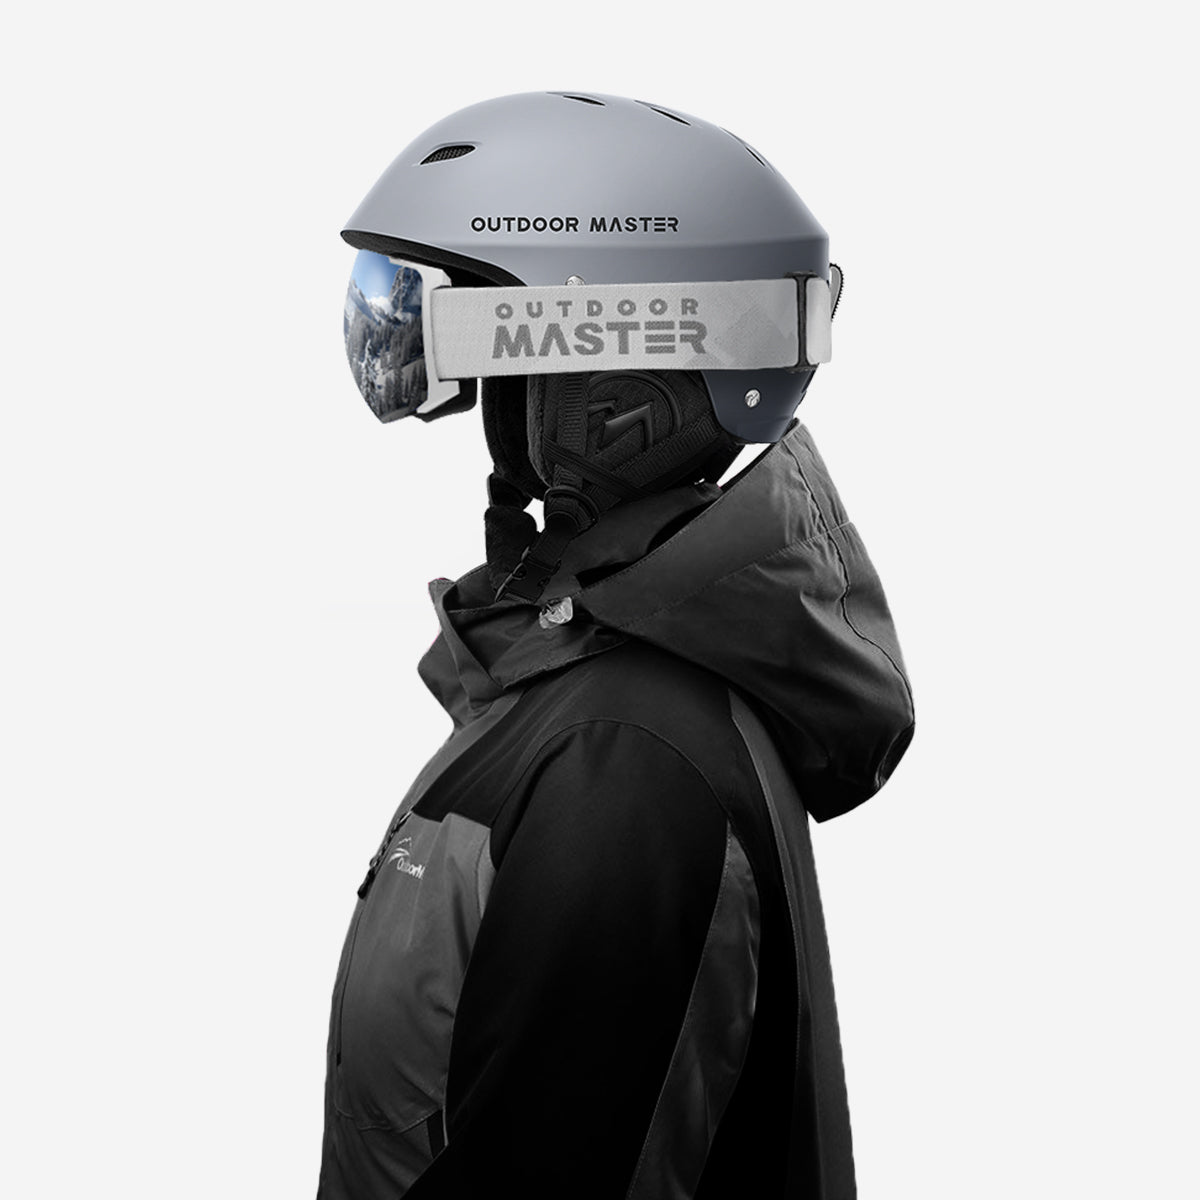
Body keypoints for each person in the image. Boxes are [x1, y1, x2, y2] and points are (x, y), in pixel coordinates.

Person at [317, 91, 914, 1200]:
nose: (483, 409)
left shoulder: (627, 761)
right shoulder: (572, 695)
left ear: (614, 386)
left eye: (485, 345)